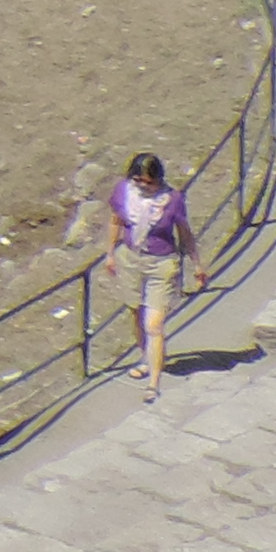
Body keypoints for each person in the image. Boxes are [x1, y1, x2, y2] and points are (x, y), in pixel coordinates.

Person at [94, 151, 190, 392]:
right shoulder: (123, 193)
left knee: (154, 325)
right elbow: (116, 221)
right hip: (131, 259)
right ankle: (147, 359)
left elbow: (185, 233)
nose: (145, 186)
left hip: (162, 263)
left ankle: (153, 383)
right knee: (136, 313)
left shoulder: (172, 199)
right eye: (139, 181)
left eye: (150, 181)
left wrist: (197, 264)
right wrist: (110, 253)